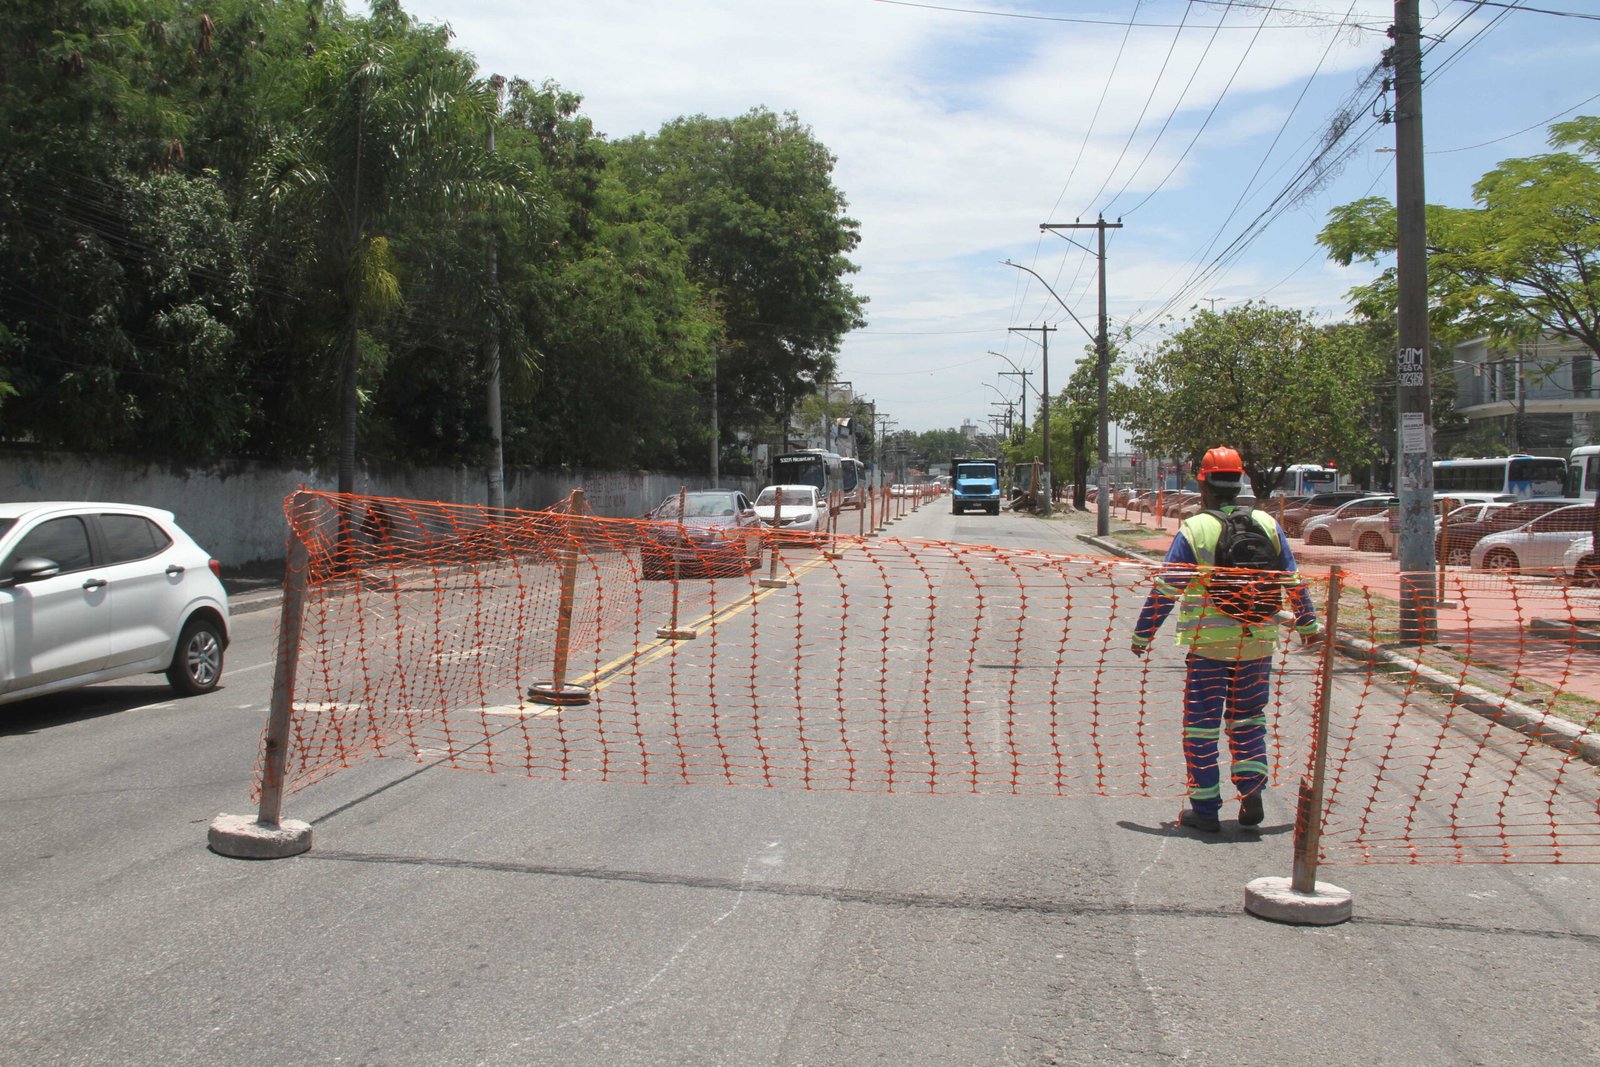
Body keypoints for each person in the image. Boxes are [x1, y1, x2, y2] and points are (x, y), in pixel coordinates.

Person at [1130, 446, 1322, 832]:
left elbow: (1167, 588)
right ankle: (1251, 789)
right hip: (1257, 644)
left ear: (1202, 483)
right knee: (1248, 720)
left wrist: (1143, 634)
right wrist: (1308, 626)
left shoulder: (1196, 529)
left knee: (1201, 726)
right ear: (1239, 483)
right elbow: (1292, 580)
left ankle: (1205, 811)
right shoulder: (1268, 524)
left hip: (1208, 648)